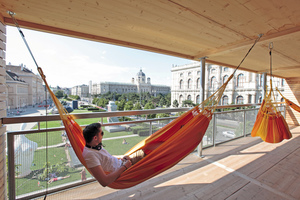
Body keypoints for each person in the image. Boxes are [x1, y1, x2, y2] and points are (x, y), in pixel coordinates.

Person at [82, 123, 145, 187]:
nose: (102, 135)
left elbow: (108, 158)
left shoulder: (95, 146)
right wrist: (124, 167)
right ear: (95, 138)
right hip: (123, 170)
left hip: (122, 162)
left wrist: (122, 157)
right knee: (145, 153)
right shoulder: (90, 155)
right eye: (102, 133)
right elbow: (104, 182)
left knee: (145, 148)